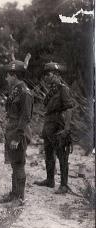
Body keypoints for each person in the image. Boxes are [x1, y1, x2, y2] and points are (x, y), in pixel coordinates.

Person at [0, 60, 33, 207]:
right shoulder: (16, 91)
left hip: (19, 132)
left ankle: (20, 198)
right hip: (11, 130)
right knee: (14, 164)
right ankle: (14, 194)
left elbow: (25, 117)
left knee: (19, 164)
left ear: (14, 75)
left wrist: (17, 138)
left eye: (8, 76)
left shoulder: (25, 93)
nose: (6, 79)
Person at [34, 62, 74, 194]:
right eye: (45, 74)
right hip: (49, 125)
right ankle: (50, 180)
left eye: (48, 74)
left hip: (58, 125)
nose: (46, 77)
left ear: (56, 74)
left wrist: (67, 128)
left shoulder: (63, 89)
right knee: (48, 153)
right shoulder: (52, 90)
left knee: (62, 155)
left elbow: (69, 109)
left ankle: (63, 185)